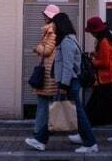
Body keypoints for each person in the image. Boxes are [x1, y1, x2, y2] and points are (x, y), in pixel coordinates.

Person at [25, 12, 98, 153]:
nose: (53, 27)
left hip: (69, 83)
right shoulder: (69, 39)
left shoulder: (67, 42)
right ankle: (40, 140)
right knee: (57, 111)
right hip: (69, 83)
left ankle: (90, 143)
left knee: (75, 114)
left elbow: (68, 65)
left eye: (54, 24)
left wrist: (64, 85)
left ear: (60, 25)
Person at [78, 16, 112, 143]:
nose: (91, 34)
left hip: (105, 79)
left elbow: (105, 63)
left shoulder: (104, 42)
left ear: (97, 31)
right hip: (109, 79)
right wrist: (95, 55)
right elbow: (107, 58)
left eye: (92, 32)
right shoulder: (108, 39)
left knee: (90, 107)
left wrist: (92, 61)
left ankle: (83, 134)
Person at [26, 4, 59, 149]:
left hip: (47, 74)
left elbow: (47, 50)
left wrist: (37, 48)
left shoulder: (51, 31)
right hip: (48, 72)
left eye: (46, 15)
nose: (44, 17)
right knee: (45, 105)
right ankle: (40, 136)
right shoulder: (50, 30)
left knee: (43, 106)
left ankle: (39, 137)